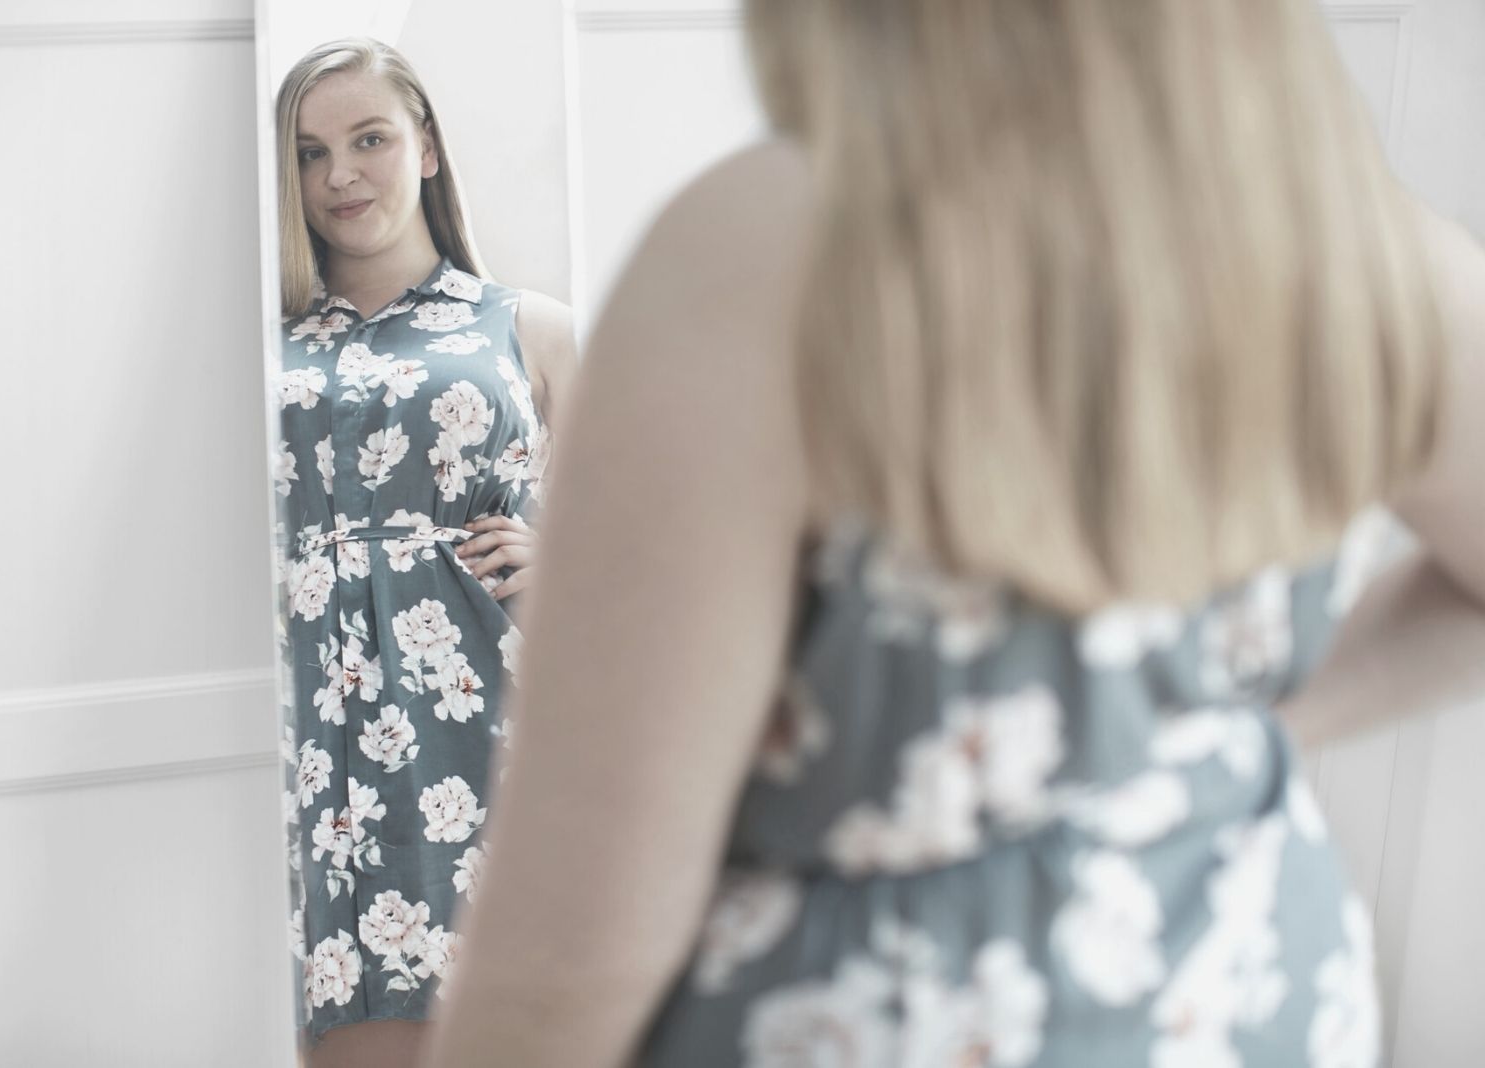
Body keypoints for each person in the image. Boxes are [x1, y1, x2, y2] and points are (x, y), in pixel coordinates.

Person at [423, 0, 1485, 1065]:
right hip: (1254, 1007)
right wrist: (1194, 740)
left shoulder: (771, 253)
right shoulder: (1359, 240)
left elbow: (569, 969)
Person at [268, 35, 578, 1067]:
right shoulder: (263, 348)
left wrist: (565, 565)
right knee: (355, 1028)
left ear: (428, 147)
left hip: (490, 718)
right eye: (309, 154)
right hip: (319, 731)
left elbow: (649, 542)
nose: (340, 175)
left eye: (368, 139)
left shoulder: (529, 328)